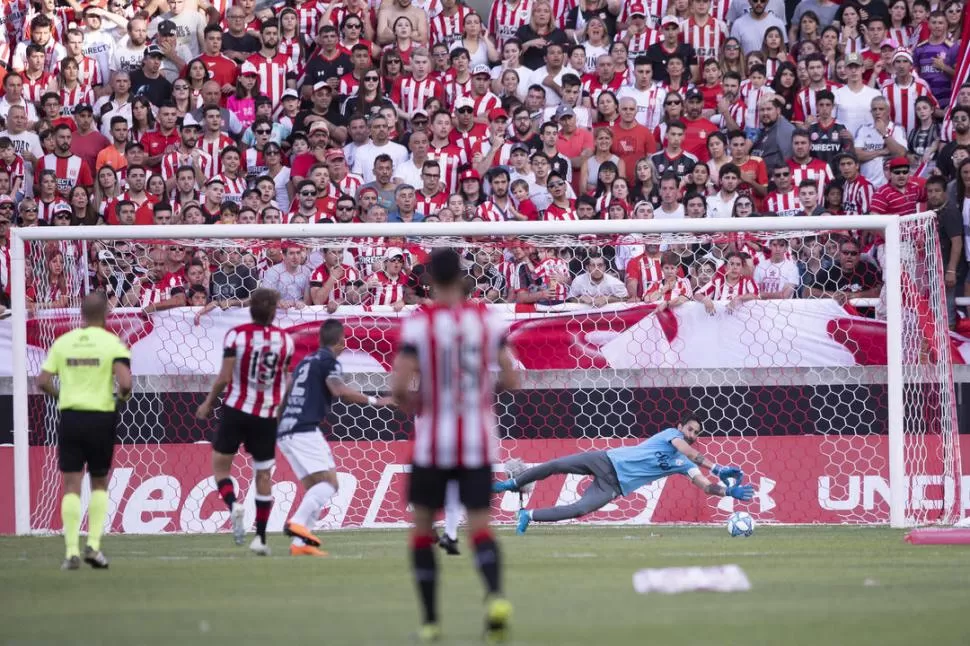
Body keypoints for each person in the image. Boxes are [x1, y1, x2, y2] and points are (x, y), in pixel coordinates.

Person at [390, 248, 519, 643]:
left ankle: (430, 621)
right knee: (480, 527)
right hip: (478, 441)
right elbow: (512, 378)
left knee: (422, 529)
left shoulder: (419, 324)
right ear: (463, 279)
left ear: (429, 281)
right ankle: (495, 597)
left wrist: (419, 401)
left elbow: (398, 386)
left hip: (432, 443)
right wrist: (482, 393)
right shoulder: (485, 319)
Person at [493, 412, 753, 532]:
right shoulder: (672, 436)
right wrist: (719, 467)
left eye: (697, 432)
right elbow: (690, 452)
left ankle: (529, 515)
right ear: (680, 427)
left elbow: (705, 486)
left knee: (580, 509)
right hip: (605, 460)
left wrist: (727, 490)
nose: (692, 434)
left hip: (614, 487)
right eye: (690, 429)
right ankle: (512, 483)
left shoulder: (685, 465)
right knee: (556, 465)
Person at [278, 320, 395, 556]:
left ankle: (300, 545)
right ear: (340, 341)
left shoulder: (304, 362)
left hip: (286, 430)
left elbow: (286, 391)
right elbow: (338, 390)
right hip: (304, 429)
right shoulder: (329, 361)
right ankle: (297, 523)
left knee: (315, 486)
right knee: (330, 484)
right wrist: (376, 401)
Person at [195, 288, 295, 555]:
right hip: (266, 414)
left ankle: (232, 504)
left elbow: (225, 378)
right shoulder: (285, 341)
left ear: (250, 308)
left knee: (220, 467)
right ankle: (260, 538)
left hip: (236, 410)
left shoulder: (237, 335)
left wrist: (208, 403)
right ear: (274, 311)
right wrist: (281, 409)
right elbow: (286, 379)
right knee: (263, 474)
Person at [37, 292, 132, 570]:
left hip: (71, 416)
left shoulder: (63, 343)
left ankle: (70, 552)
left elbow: (42, 380)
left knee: (71, 483)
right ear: (105, 315)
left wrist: (61, 396)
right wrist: (121, 398)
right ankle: (93, 545)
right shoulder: (113, 343)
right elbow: (125, 383)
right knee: (99, 481)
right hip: (101, 417)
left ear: (81, 313)